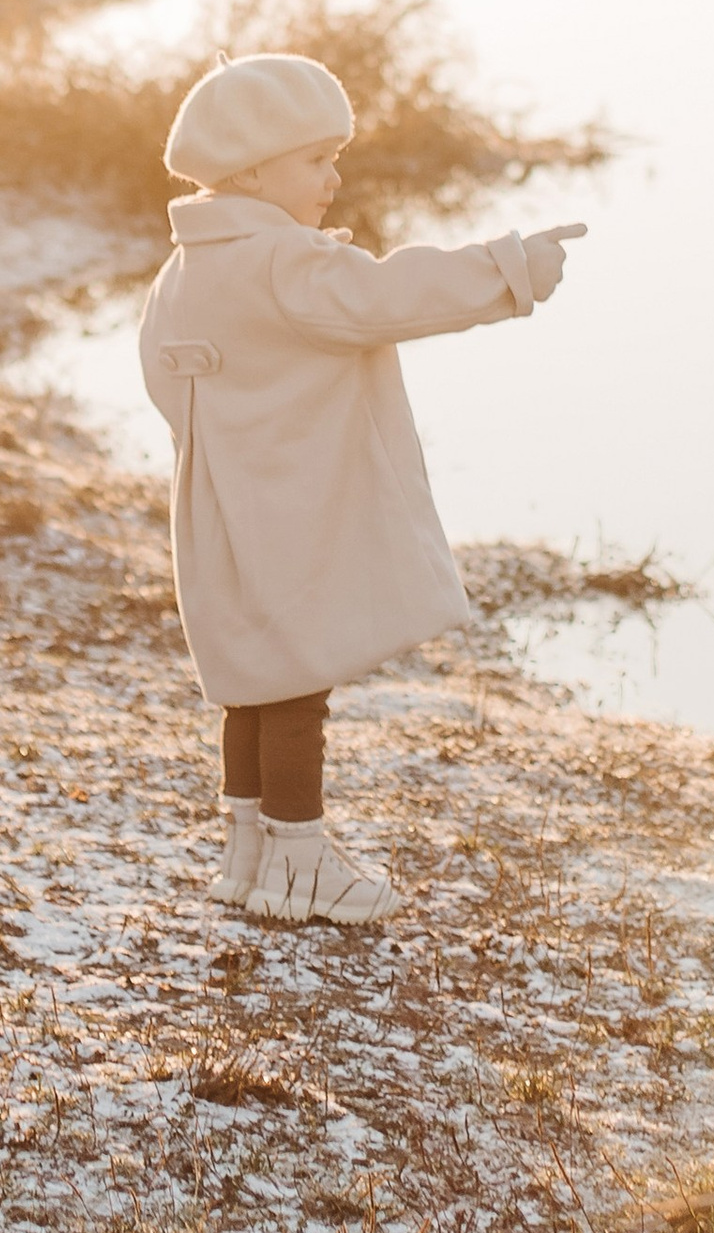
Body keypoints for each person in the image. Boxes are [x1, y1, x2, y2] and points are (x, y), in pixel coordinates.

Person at [139, 51, 585, 927]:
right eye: (317, 159)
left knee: (253, 681)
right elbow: (388, 295)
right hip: (294, 508)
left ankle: (248, 851)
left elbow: (165, 381)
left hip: (221, 503)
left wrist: (236, 437)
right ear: (252, 170)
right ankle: (301, 861)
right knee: (297, 685)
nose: (334, 179)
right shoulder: (283, 262)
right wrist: (510, 268)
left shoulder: (181, 271)